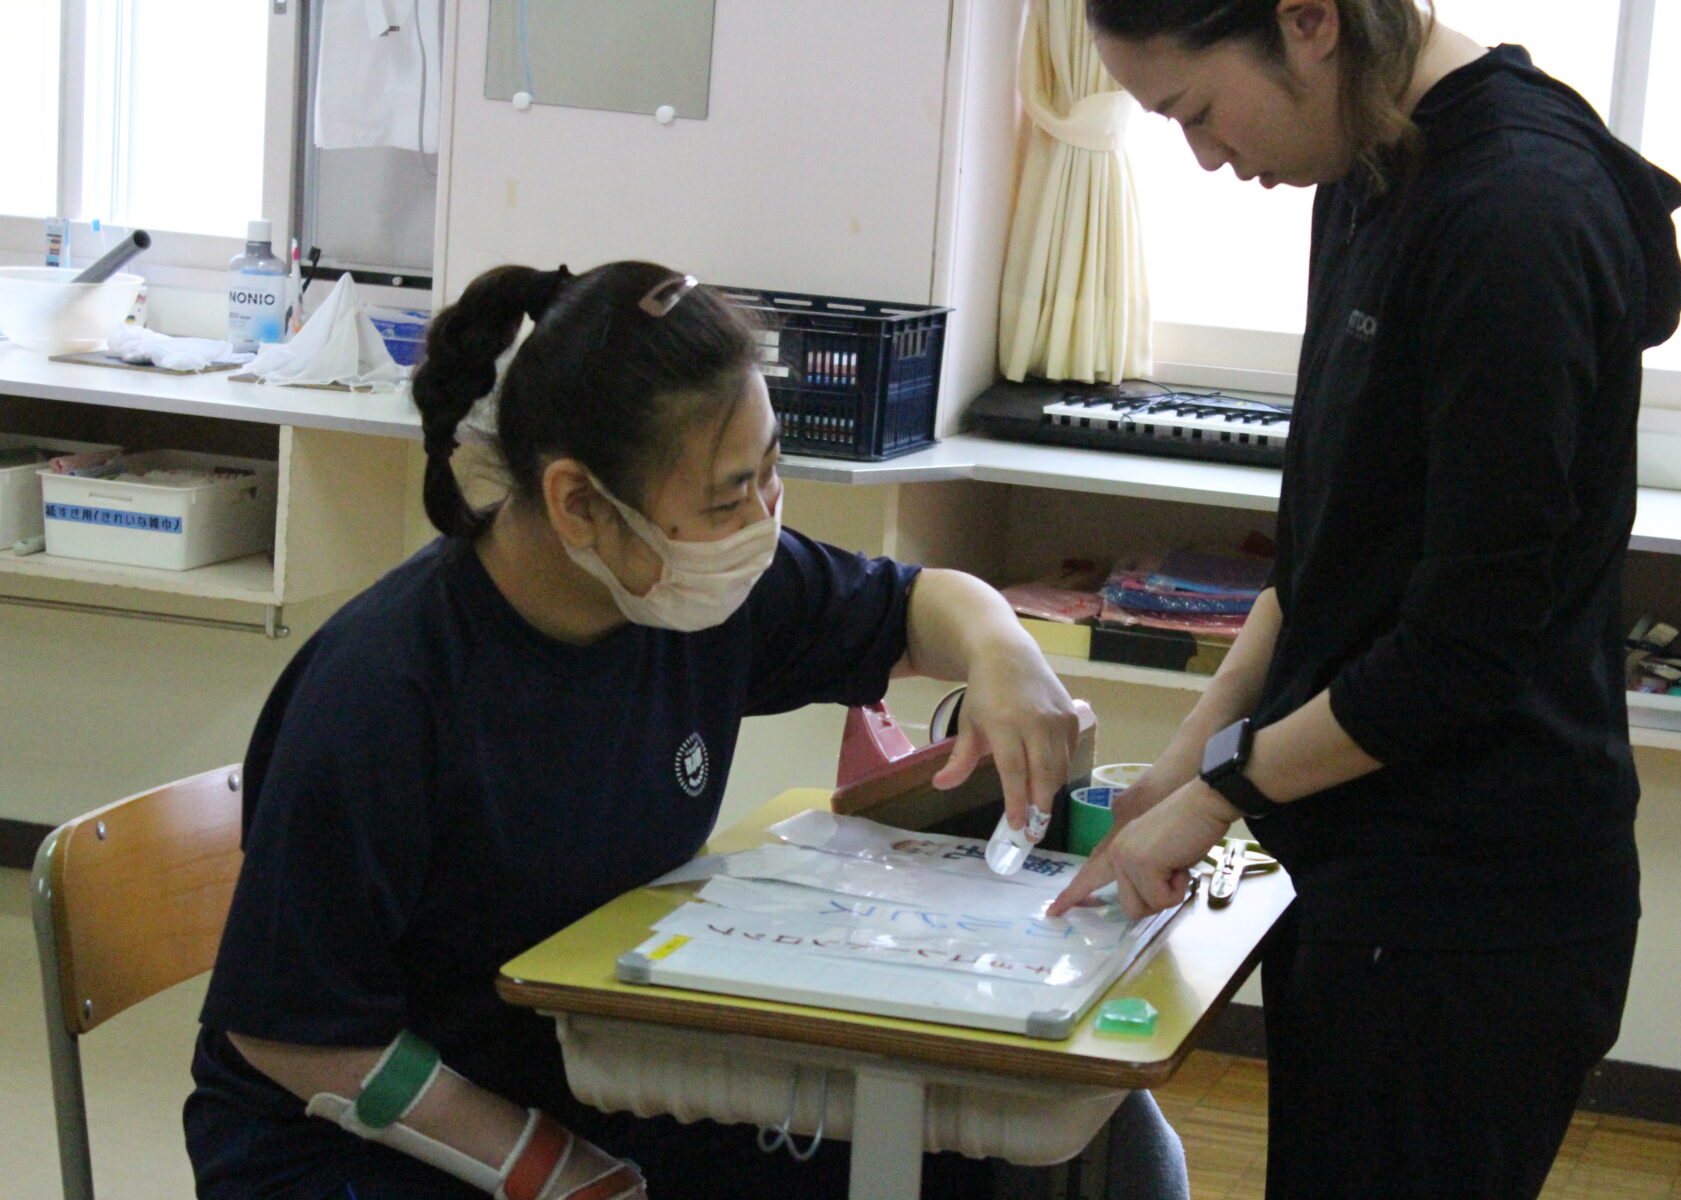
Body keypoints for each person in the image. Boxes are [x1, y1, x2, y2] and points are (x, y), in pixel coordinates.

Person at [184, 260, 1187, 1199]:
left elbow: (920, 606)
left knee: (1069, 1153)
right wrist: (557, 1172)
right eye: (728, 494)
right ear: (579, 502)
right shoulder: (384, 692)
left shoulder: (682, 587)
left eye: (771, 471)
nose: (765, 518)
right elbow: (298, 1037)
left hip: (591, 1071)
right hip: (366, 1143)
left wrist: (1001, 653)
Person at [1050, 2, 1681, 1197]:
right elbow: (1328, 550)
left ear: (1307, 23)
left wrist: (1214, 802)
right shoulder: (1369, 161)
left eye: (1193, 110)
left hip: (1473, 908)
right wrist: (1182, 767)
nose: (1203, 155)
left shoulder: (1515, 217)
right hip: (1364, 870)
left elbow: (1461, 652)